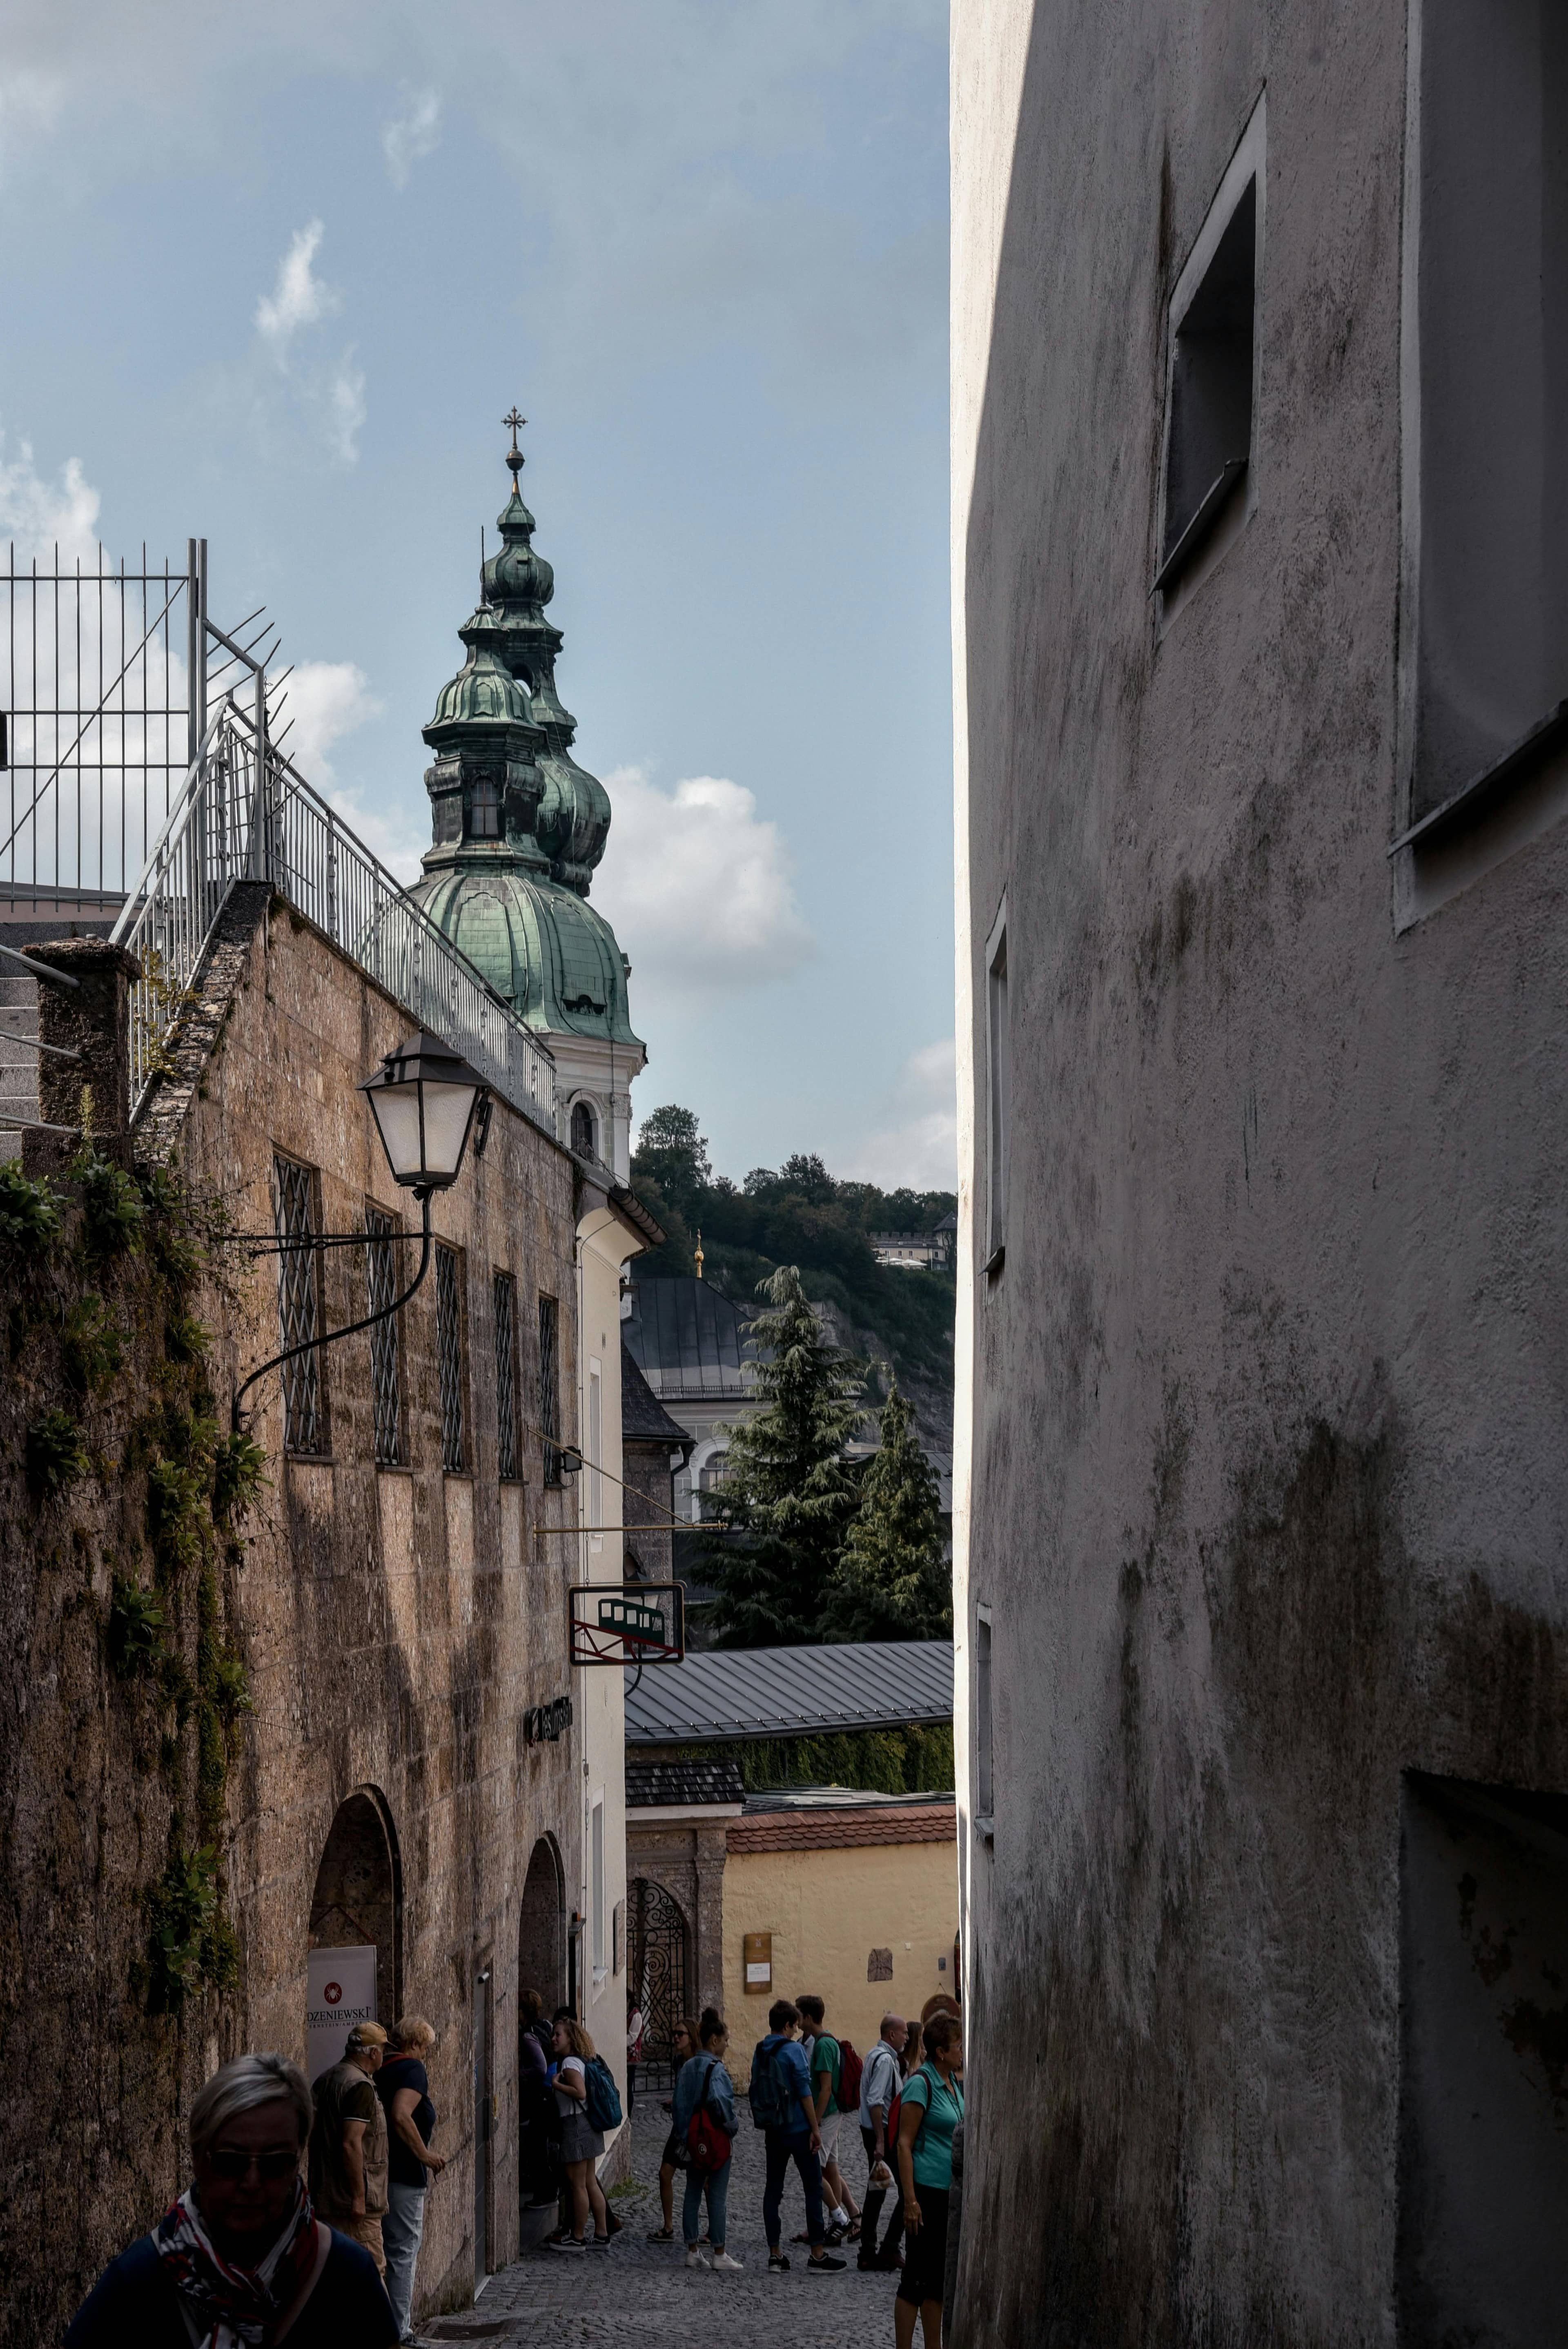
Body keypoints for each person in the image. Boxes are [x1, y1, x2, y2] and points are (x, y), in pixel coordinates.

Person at [65, 2050, 397, 2346]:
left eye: (275, 2163)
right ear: (197, 2158)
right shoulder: (138, 2283)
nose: (251, 2183)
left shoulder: (347, 2279)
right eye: (231, 2161)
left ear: (297, 2162)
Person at [752, 1998, 846, 2278]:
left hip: (774, 2130)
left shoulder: (761, 2050)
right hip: (798, 2130)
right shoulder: (793, 2051)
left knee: (773, 2191)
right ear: (787, 2025)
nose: (796, 2031)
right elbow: (805, 2091)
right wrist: (815, 2129)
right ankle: (817, 2254)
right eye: (794, 2026)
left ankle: (775, 2254)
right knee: (813, 2188)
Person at [894, 2011, 964, 2349]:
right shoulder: (921, 2084)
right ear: (941, 2052)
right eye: (958, 2047)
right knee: (915, 2280)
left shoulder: (952, 2083)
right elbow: (904, 2144)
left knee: (936, 2280)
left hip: (946, 2194)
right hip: (924, 2193)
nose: (962, 2052)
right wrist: (910, 2201)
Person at [375, 2016, 444, 2345]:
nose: (426, 2056)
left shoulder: (381, 2069)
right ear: (414, 2045)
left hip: (379, 2175)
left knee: (383, 2251)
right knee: (403, 2251)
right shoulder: (412, 2070)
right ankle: (399, 2329)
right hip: (404, 2176)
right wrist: (425, 2156)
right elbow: (401, 2115)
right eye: (425, 2049)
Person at [310, 2021, 390, 2275]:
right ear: (373, 2053)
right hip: (354, 2206)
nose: (384, 2057)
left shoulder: (326, 2079)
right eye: (383, 2050)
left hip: (327, 2197)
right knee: (372, 2276)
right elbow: (351, 2142)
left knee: (335, 2277)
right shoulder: (360, 2086)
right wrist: (358, 2197)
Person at [672, 2008, 743, 2271]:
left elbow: (679, 2107)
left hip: (692, 2140)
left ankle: (692, 2250)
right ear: (714, 2040)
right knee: (717, 2196)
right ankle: (720, 2253)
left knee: (692, 2193)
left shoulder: (687, 2067)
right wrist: (732, 2127)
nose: (727, 2044)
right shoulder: (717, 2069)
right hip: (715, 2141)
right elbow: (722, 2103)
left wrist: (685, 2134)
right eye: (725, 2040)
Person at [795, 1993, 860, 2245]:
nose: (797, 2020)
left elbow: (825, 2088)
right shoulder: (821, 2041)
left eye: (800, 2016)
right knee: (831, 2169)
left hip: (828, 2114)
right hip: (833, 2113)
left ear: (809, 2017)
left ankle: (840, 2219)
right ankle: (852, 2219)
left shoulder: (823, 2045)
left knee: (813, 2171)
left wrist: (816, 2123)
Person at [548, 2016, 613, 2251]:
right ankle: (602, 2234)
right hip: (588, 2124)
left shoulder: (569, 2064)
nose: (554, 2038)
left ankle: (578, 2237)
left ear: (571, 2039)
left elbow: (580, 2092)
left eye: (559, 2035)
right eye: (553, 2034)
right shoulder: (581, 2061)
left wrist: (556, 2085)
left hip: (576, 2126)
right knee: (589, 2182)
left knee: (578, 2186)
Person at [858, 2010, 909, 2272]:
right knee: (909, 2191)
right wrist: (881, 2141)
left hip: (877, 2132)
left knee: (876, 2192)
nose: (907, 2037)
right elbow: (876, 2101)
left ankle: (869, 2251)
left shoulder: (874, 2055)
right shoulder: (886, 2061)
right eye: (904, 2033)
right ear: (892, 2034)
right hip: (884, 2134)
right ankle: (888, 2247)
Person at [646, 2015, 698, 2243]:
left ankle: (712, 2230)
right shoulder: (679, 2062)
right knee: (664, 2174)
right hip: (679, 2129)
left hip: (695, 2129)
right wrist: (674, 2102)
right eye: (674, 2034)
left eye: (681, 2034)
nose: (675, 2038)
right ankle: (668, 2227)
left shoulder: (698, 2064)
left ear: (692, 2038)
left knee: (703, 2181)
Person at [517, 1988, 559, 2211]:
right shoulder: (546, 2025)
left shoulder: (528, 2034)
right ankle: (549, 2189)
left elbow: (540, 2067)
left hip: (542, 2094)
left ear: (522, 2012)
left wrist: (518, 2073)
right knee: (541, 2143)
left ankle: (545, 2192)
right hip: (551, 2091)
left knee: (536, 2144)